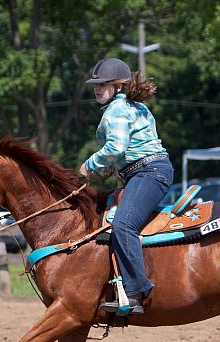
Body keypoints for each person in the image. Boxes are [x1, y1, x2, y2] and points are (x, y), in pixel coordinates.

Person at [78, 57, 173, 314]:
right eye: (96, 85)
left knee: (123, 224)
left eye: (103, 84)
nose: (97, 89)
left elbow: (116, 147)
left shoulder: (117, 110)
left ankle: (135, 291)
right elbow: (129, 149)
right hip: (147, 171)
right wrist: (113, 165)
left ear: (118, 86)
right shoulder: (134, 106)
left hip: (147, 173)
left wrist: (90, 164)